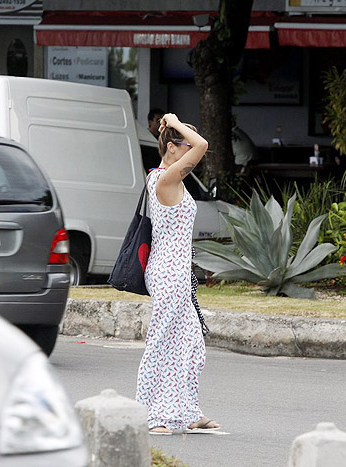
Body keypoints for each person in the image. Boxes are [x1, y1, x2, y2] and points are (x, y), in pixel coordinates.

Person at [136, 113, 220, 435]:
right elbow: (203, 144)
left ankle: (187, 411)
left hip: (179, 273)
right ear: (172, 148)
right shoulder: (164, 180)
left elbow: (197, 145)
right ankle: (151, 414)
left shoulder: (173, 179)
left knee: (191, 344)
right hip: (168, 272)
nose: (193, 153)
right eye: (183, 145)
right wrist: (172, 119)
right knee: (162, 342)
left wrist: (178, 129)